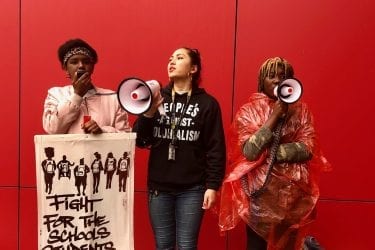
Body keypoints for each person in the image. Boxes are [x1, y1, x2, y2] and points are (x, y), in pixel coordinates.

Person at [218, 57, 331, 249]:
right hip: (260, 198)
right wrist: (274, 116)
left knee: (288, 245)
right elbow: (250, 151)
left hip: (292, 196)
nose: (277, 80)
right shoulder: (249, 111)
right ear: (262, 81)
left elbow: (308, 148)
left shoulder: (301, 111)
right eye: (271, 76)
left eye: (282, 76)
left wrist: (271, 152)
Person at [133, 47, 226, 249]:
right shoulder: (156, 97)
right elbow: (139, 141)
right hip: (159, 188)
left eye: (179, 57)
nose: (172, 61)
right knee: (163, 245)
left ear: (193, 68)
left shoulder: (207, 104)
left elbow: (215, 147)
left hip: (192, 188)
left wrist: (213, 186)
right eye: (170, 58)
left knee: (186, 245)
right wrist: (148, 113)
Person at [42, 38, 131, 134]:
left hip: (102, 149)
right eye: (74, 62)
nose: (81, 66)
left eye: (86, 62)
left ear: (92, 67)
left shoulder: (113, 97)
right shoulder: (56, 94)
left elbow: (126, 136)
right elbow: (52, 129)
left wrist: (103, 131)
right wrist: (77, 95)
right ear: (65, 68)